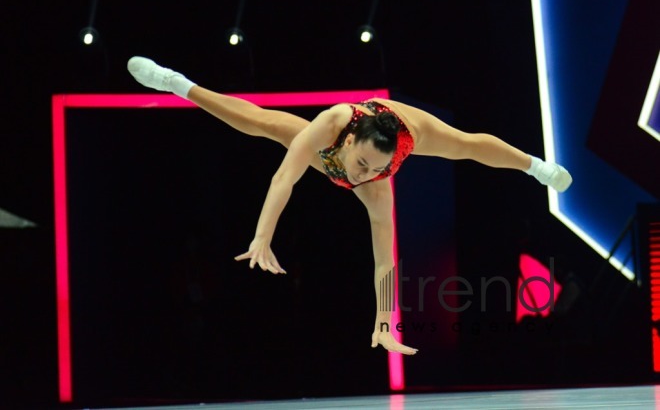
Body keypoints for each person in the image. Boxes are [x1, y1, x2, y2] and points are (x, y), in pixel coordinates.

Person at [127, 56, 572, 356]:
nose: (358, 177)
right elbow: (285, 176)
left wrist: (386, 321)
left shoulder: (375, 182)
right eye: (360, 164)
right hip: (334, 151)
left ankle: (535, 167)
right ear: (352, 140)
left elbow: (385, 263)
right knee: (260, 121)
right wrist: (263, 236)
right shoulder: (334, 123)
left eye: (371, 172)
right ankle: (179, 85)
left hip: (405, 130)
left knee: (467, 146)